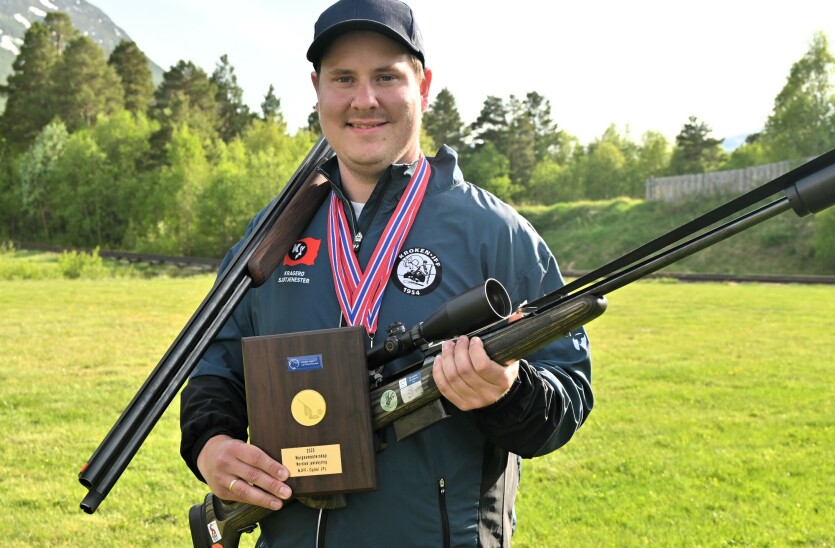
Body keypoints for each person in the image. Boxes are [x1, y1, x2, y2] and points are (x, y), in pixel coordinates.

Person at [180, 0, 593, 545]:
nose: (364, 99)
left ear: (423, 87)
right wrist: (212, 442)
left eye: (386, 77)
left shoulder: (498, 234)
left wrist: (508, 391)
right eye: (343, 78)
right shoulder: (271, 234)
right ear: (317, 89)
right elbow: (215, 367)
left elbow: (568, 395)